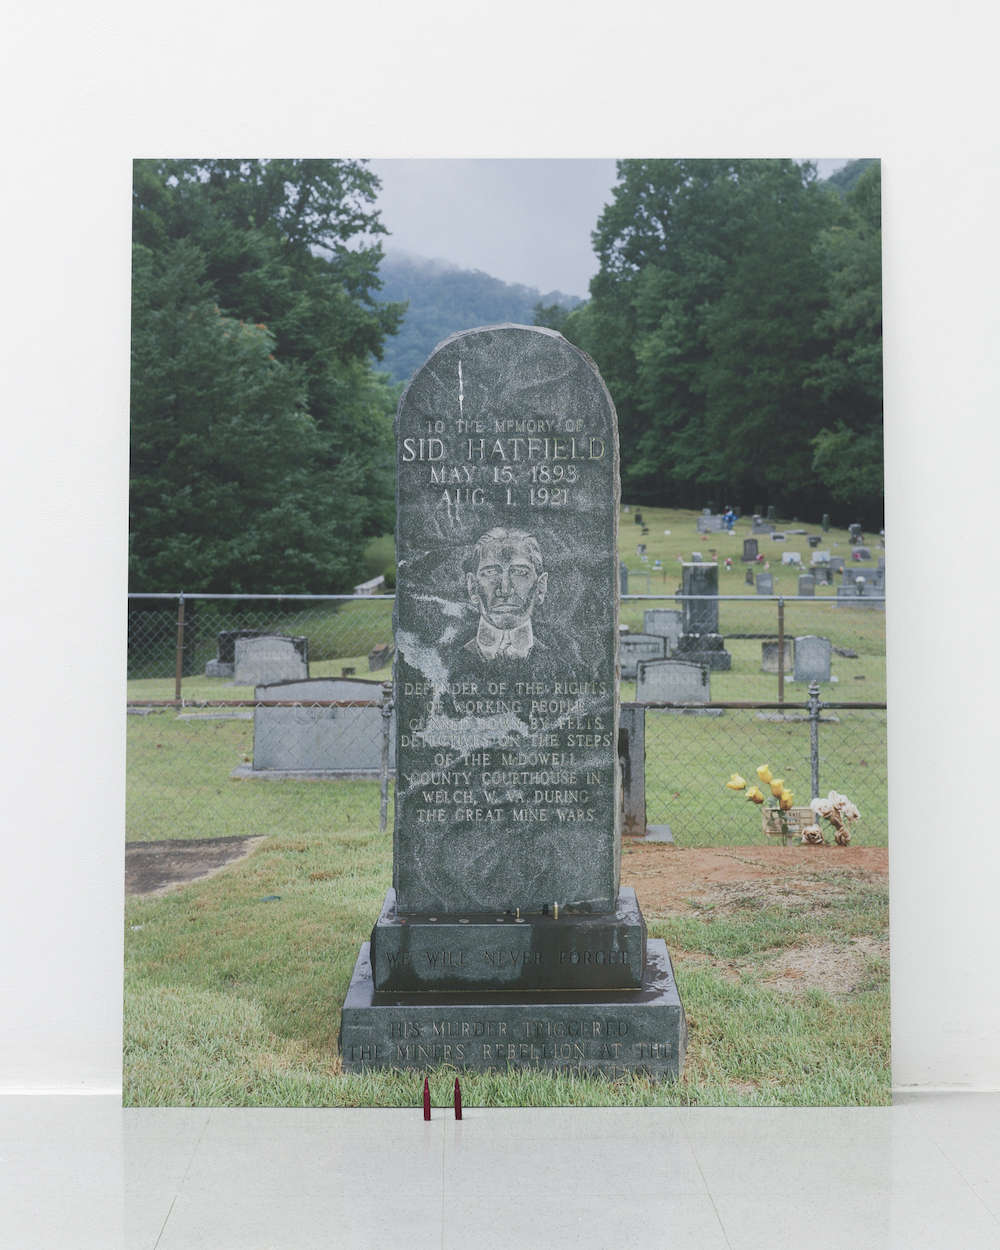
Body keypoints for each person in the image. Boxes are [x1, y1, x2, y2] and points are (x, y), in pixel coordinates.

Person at [462, 528, 549, 661]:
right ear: (473, 587)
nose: (505, 591)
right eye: (490, 573)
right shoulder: (447, 661)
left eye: (519, 572)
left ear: (541, 586)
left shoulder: (567, 667)